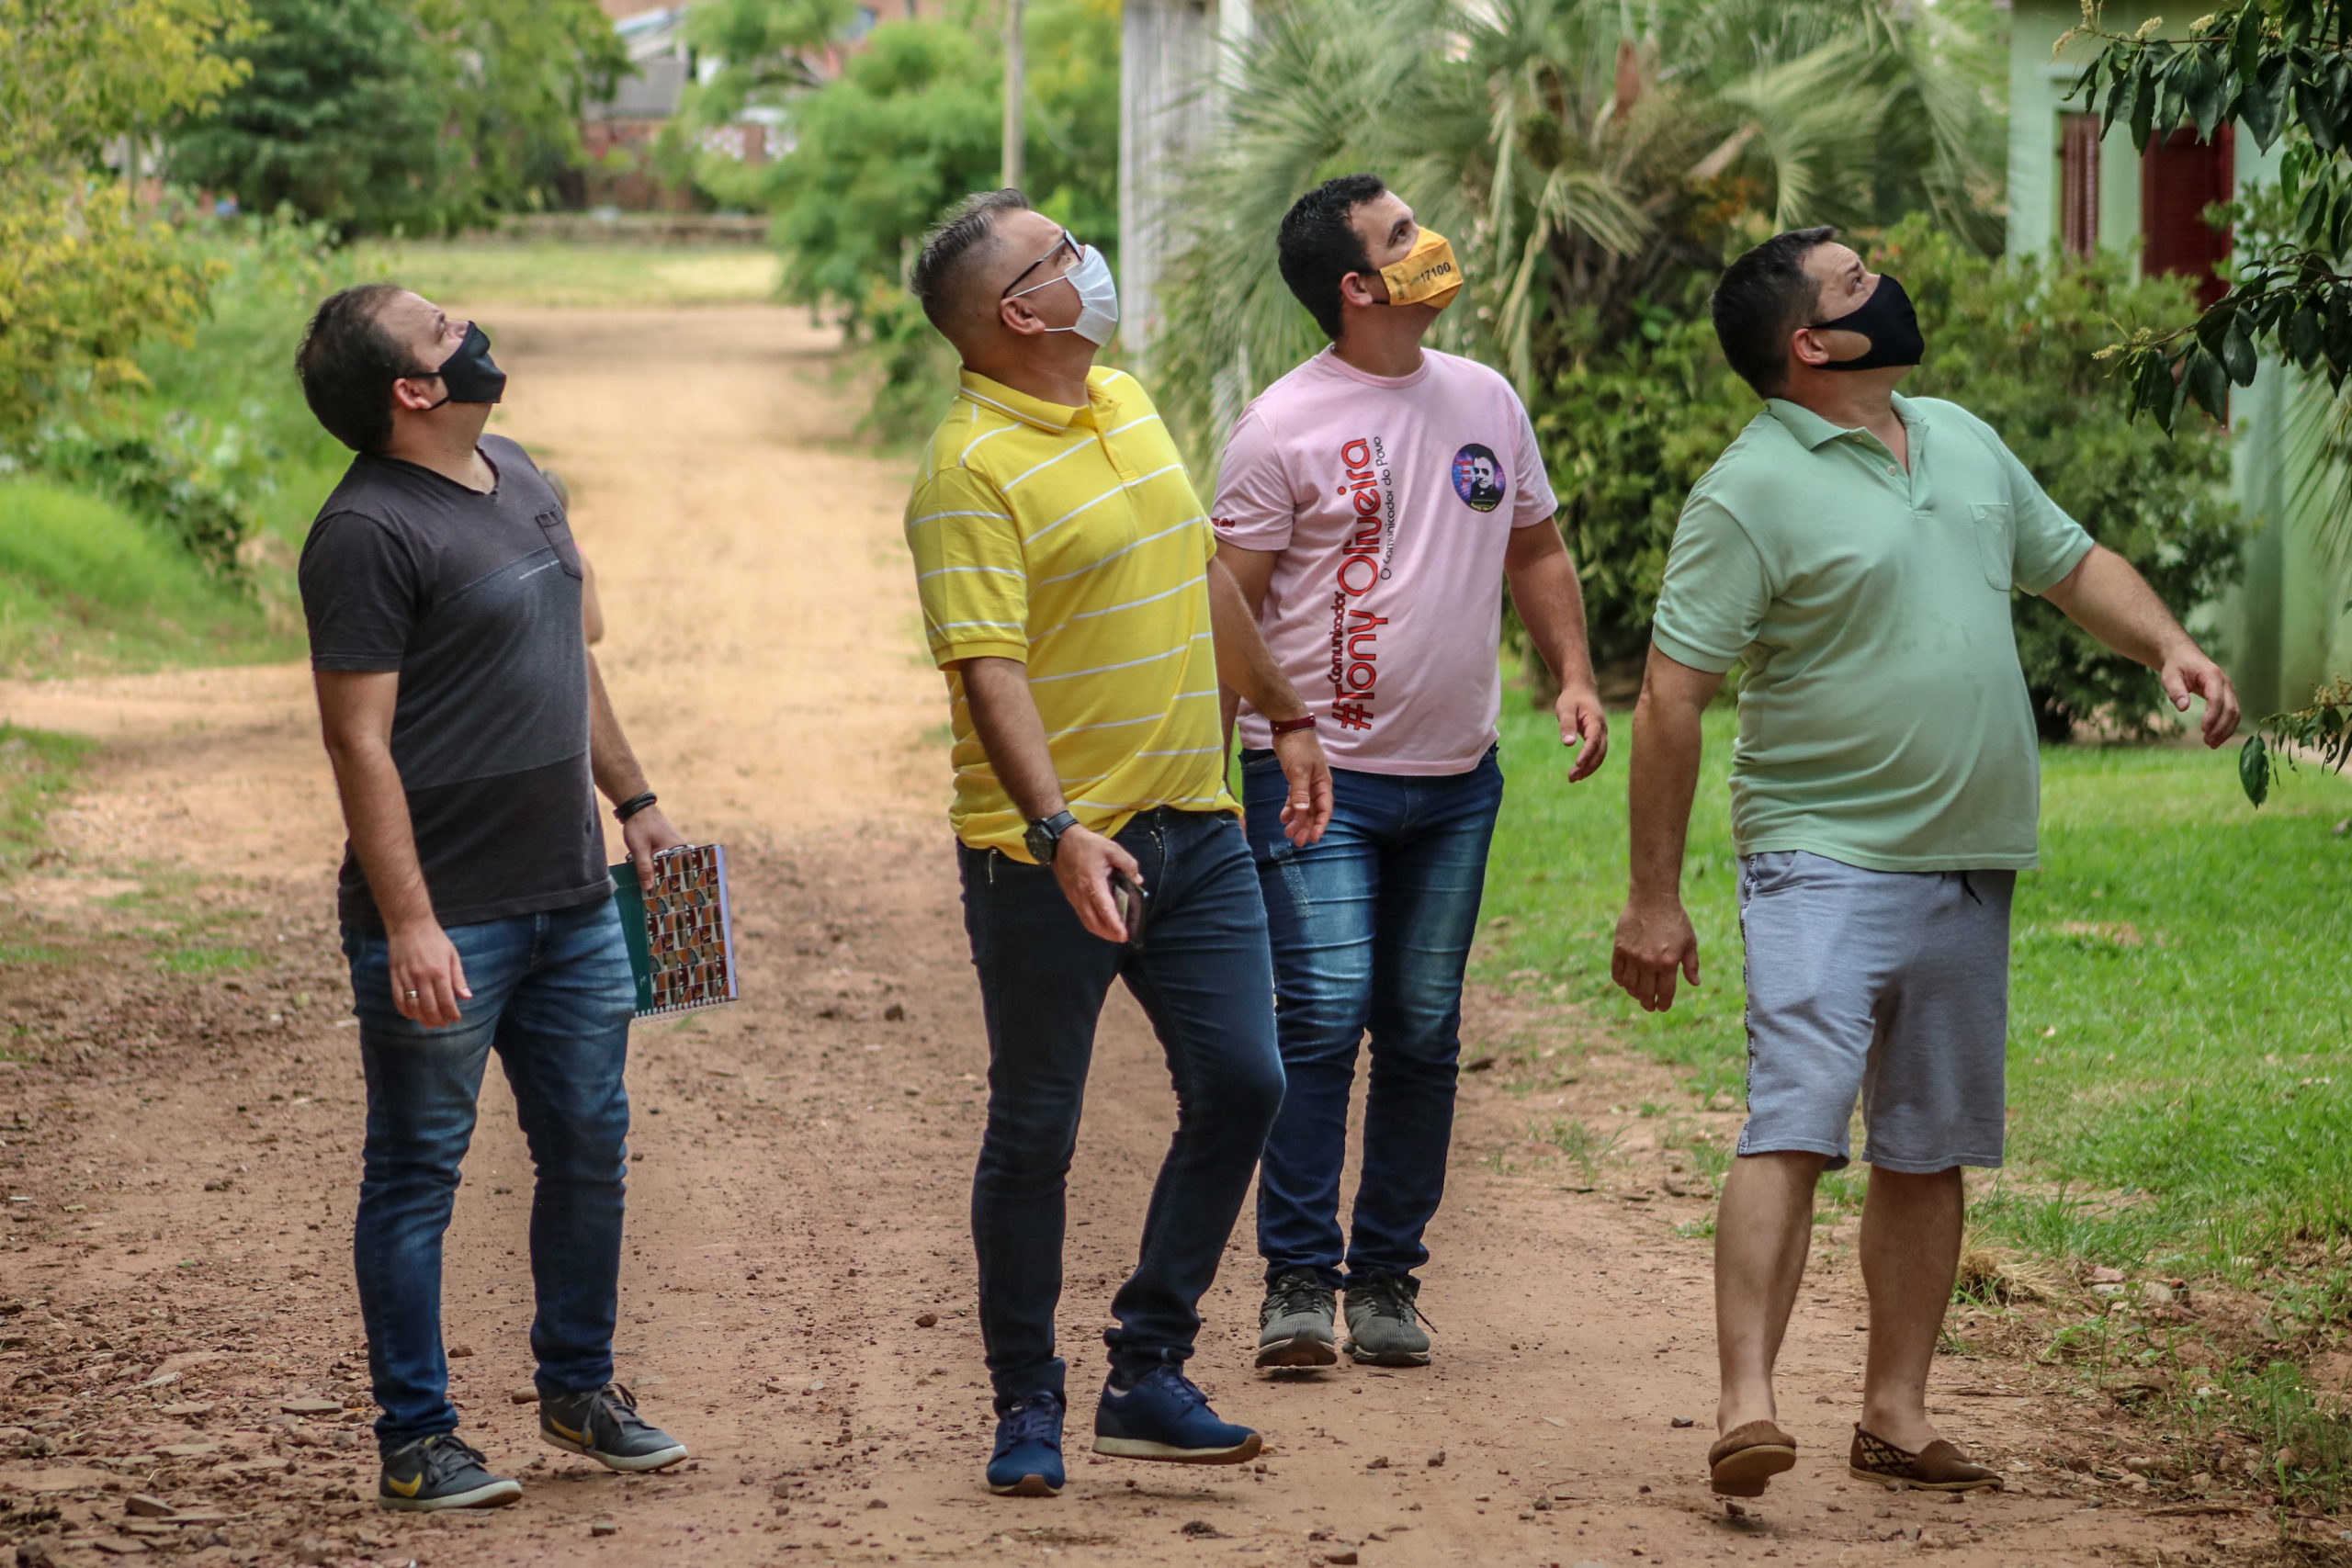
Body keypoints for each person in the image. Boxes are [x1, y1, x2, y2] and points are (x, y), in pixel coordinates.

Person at [1609, 229, 2241, 1498]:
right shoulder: (1749, 491)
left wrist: (2164, 642)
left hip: (1969, 857)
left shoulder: (1955, 434)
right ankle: (1747, 1406)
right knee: (1793, 1120)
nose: (1885, 291)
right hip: (1819, 855)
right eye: (1857, 286)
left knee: (1926, 1145)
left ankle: (1895, 1414)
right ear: (1813, 343)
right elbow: (1673, 699)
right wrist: (1655, 898)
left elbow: (2070, 567)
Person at [900, 188, 1336, 1499]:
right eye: (1060, 256)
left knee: (1248, 1083)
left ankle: (1147, 1368)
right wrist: (1057, 829)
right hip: (1046, 857)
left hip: (1195, 823)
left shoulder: (1129, 402)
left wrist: (1285, 713)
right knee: (1037, 1127)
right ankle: (1026, 1403)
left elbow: (1198, 571)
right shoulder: (964, 473)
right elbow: (992, 674)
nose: (1091, 264)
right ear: (1016, 311)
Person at [294, 286, 695, 1512]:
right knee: (418, 1170)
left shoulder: (518, 471)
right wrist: (410, 922)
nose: (465, 325)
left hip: (573, 897)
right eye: (436, 327)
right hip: (449, 917)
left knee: (590, 1144)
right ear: (414, 392)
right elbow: (356, 742)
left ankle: (580, 1390)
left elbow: (569, 657)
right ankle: (417, 1439)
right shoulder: (363, 535)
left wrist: (637, 806)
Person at [1210, 175, 1609, 1370]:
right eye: (1402, 236)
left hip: (1457, 780)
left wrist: (1574, 674)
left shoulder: (1485, 398)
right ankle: (1296, 1285)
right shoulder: (1279, 426)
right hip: (1316, 781)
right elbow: (1227, 602)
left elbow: (1534, 546)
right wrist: (1249, 747)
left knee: (1424, 1031)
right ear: (1357, 286)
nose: (1431, 244)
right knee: (1323, 1021)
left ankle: (1385, 1281)